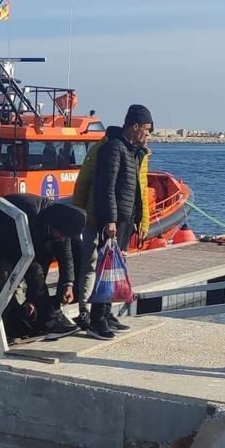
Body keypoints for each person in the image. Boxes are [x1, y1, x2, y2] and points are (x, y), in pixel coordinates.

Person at [73, 125, 153, 334]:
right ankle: (88, 312)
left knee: (113, 267)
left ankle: (106, 313)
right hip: (101, 217)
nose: (148, 135)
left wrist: (142, 219)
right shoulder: (110, 149)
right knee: (96, 265)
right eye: (146, 129)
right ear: (134, 128)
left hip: (123, 218)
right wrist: (79, 215)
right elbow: (95, 184)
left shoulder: (137, 153)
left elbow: (139, 189)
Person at [0, 194, 87, 341]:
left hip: (24, 244)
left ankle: (46, 320)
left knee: (36, 274)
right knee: (6, 283)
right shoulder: (31, 213)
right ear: (53, 225)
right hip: (2, 238)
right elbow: (32, 264)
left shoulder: (62, 225)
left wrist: (67, 284)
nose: (63, 238)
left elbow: (65, 257)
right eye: (62, 234)